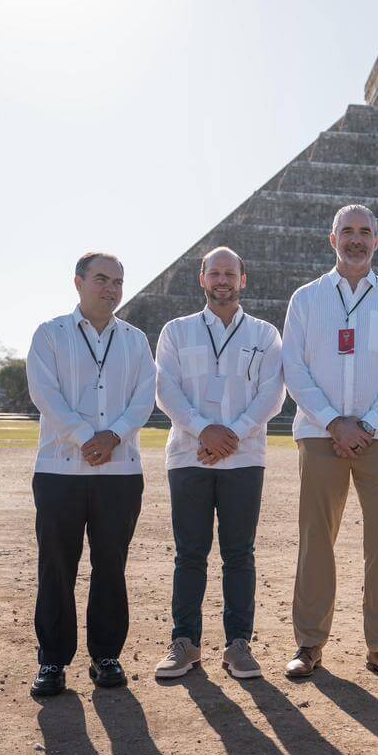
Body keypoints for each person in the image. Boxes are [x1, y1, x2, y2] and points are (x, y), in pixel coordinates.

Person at [280, 204, 378, 679]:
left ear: (377, 241)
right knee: (316, 539)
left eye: (365, 233)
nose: (356, 240)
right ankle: (309, 643)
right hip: (320, 435)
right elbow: (294, 368)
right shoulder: (306, 298)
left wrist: (368, 425)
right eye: (347, 232)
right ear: (332, 238)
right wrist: (334, 422)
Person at [25, 252, 157, 697]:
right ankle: (52, 661)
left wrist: (113, 437)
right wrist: (87, 436)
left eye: (118, 281)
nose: (112, 289)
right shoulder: (50, 335)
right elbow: (46, 395)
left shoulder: (137, 340)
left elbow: (144, 398)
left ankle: (106, 655)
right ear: (78, 282)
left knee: (111, 567)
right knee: (56, 566)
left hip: (119, 471)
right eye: (102, 279)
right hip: (60, 469)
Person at [152, 247, 286, 681]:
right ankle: (185, 643)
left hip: (245, 458)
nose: (223, 280)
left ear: (243, 280)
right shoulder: (176, 331)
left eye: (230, 273)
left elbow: (273, 393)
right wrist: (203, 430)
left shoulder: (265, 334)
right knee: (190, 554)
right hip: (189, 455)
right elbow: (165, 389)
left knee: (239, 554)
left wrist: (233, 433)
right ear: (202, 278)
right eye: (215, 273)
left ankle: (238, 645)